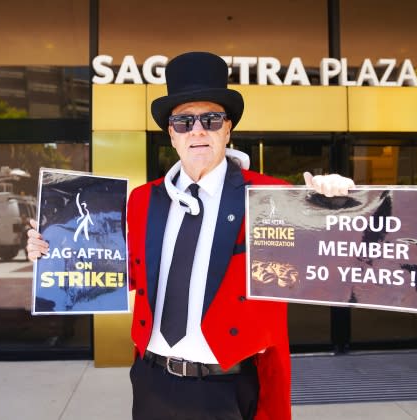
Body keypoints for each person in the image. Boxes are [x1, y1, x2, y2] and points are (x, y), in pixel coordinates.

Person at [26, 52, 354, 420]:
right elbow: (119, 271)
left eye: (211, 119)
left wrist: (335, 205)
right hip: (153, 381)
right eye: (183, 121)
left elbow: (326, 258)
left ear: (227, 129)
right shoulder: (142, 200)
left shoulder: (269, 196)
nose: (197, 130)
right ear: (171, 133)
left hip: (228, 388)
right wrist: (53, 249)